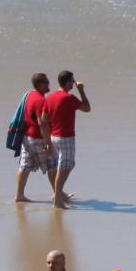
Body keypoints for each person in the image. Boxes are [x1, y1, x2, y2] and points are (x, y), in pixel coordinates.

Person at [44, 71, 91, 209]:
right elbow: (87, 108)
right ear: (68, 82)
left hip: (53, 137)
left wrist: (46, 139)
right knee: (65, 167)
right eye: (72, 81)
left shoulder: (49, 97)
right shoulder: (69, 97)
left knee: (55, 167)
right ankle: (58, 199)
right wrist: (81, 91)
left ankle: (58, 194)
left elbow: (44, 119)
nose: (74, 83)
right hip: (65, 137)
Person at [14, 72, 56, 203]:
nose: (49, 84)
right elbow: (42, 123)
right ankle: (58, 193)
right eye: (47, 82)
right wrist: (48, 142)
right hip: (39, 138)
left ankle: (19, 195)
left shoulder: (30, 94)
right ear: (40, 84)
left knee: (24, 166)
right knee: (52, 165)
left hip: (27, 138)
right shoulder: (41, 100)